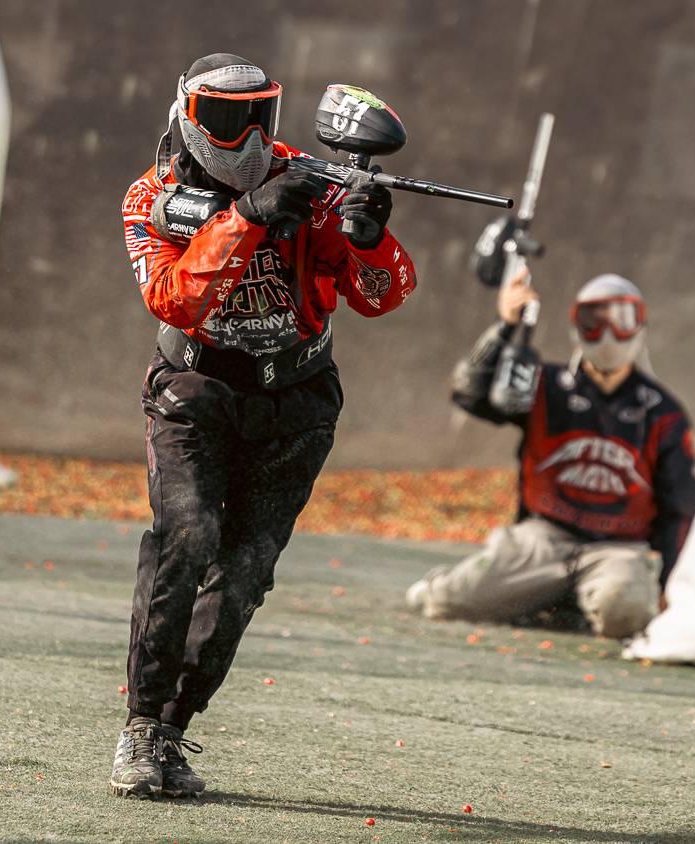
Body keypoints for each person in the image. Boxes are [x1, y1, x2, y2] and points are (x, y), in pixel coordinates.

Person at [113, 53, 417, 798]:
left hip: (297, 400)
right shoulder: (151, 197)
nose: (248, 136)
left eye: (261, 116)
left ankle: (172, 728)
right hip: (195, 392)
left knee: (246, 570)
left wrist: (369, 237)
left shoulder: (309, 184)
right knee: (187, 537)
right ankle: (141, 726)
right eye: (227, 118)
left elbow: (382, 296)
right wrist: (248, 217)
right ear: (188, 117)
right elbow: (174, 299)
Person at [405, 263, 695, 640]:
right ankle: (527, 595)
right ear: (576, 326)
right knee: (447, 602)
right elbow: (466, 393)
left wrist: (670, 585)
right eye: (594, 320)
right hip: (542, 539)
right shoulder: (544, 385)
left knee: (625, 611)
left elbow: (681, 511)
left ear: (640, 327)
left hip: (618, 551)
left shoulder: (663, 414)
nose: (608, 334)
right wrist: (504, 326)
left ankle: (564, 603)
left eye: (621, 319)